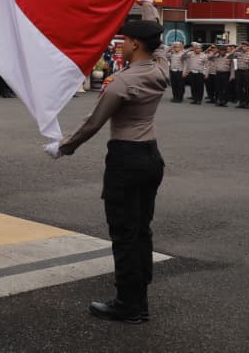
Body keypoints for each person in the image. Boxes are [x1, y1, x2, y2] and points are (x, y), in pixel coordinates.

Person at [55, 19, 167, 323]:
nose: (121, 44)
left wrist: (64, 147)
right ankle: (139, 299)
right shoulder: (160, 70)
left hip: (126, 158)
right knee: (141, 229)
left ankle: (128, 304)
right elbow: (160, 47)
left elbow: (94, 121)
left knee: (124, 232)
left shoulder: (122, 82)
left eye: (125, 40)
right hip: (151, 156)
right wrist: (146, 2)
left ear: (135, 44)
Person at [231, 41, 249, 109]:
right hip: (239, 71)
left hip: (246, 72)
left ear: (248, 47)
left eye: (245, 46)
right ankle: (241, 102)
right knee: (239, 88)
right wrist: (237, 48)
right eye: (242, 46)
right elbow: (229, 55)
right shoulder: (238, 53)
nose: (243, 47)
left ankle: (247, 103)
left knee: (247, 88)